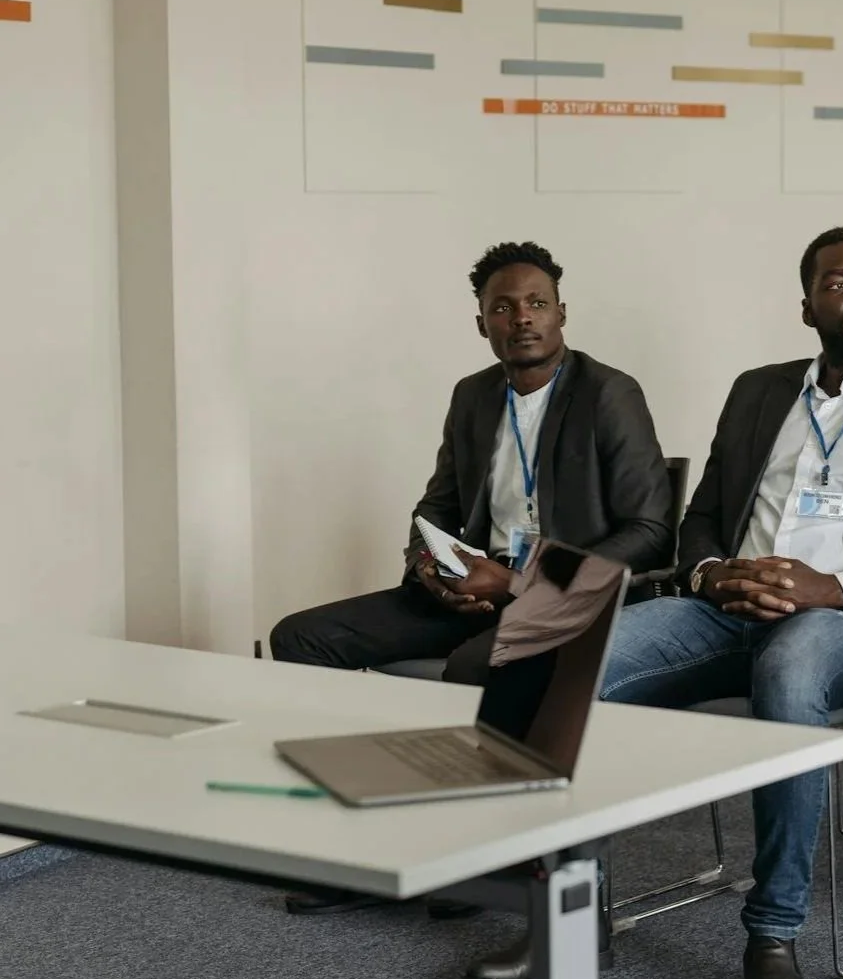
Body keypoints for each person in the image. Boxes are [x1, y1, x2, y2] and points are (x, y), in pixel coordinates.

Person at [463, 227, 843, 979]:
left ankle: (771, 934)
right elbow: (704, 517)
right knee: (567, 651)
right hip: (725, 611)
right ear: (806, 306)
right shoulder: (759, 390)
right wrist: (716, 574)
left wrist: (838, 587)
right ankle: (569, 915)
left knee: (788, 671)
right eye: (838, 283)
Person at [268, 241, 672, 913]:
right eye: (503, 307)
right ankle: (360, 845)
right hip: (471, 587)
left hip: (563, 597)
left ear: (562, 313)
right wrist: (431, 571)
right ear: (480, 323)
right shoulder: (473, 397)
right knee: (301, 639)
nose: (522, 317)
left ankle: (473, 854)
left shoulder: (608, 394)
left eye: (536, 303)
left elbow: (652, 531)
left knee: (471, 668)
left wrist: (521, 586)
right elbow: (438, 507)